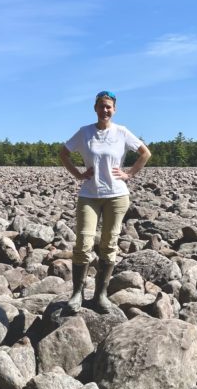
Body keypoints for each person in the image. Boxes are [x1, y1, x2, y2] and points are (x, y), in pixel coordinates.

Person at [59, 90, 151, 313]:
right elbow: (63, 153)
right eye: (101, 106)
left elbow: (145, 153)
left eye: (109, 106)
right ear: (95, 108)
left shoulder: (122, 132)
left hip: (117, 195)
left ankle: (100, 295)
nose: (105, 110)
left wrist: (129, 174)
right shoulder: (85, 132)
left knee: (109, 245)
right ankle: (77, 294)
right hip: (89, 194)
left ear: (114, 109)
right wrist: (79, 174)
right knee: (83, 243)